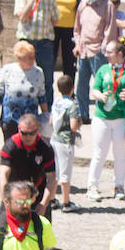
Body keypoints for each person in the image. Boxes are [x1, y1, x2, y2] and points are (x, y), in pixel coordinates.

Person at [85, 38, 125, 202]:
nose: (106, 54)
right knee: (99, 153)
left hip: (121, 118)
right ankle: (92, 186)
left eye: (109, 52)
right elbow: (94, 90)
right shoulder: (104, 69)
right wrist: (101, 96)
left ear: (119, 54)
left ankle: (119, 186)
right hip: (102, 118)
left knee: (120, 155)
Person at [73, 0, 117, 123]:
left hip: (98, 50)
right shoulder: (83, 4)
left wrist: (103, 47)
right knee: (81, 84)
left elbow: (110, 28)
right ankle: (83, 114)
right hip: (83, 50)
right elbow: (77, 28)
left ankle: (101, 112)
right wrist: (77, 44)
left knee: (100, 84)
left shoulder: (107, 5)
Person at [0, 113, 56, 216]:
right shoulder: (10, 146)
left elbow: (51, 178)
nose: (28, 137)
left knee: (42, 229)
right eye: (24, 133)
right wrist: (6, 201)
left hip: (37, 193)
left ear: (38, 130)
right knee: (3, 228)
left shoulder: (45, 148)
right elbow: (3, 175)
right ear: (19, 129)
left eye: (32, 133)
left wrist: (43, 204)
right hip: (14, 193)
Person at [13, 0, 57, 105]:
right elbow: (22, 16)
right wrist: (32, 0)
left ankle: (47, 111)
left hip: (44, 42)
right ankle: (25, 106)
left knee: (47, 78)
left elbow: (55, 19)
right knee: (25, 76)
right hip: (27, 40)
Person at [0, 41, 47, 140]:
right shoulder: (7, 70)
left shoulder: (38, 72)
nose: (32, 60)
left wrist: (46, 117)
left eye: (33, 57)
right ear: (19, 58)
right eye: (29, 57)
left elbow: (42, 96)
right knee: (11, 150)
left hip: (30, 121)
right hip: (10, 119)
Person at [48, 0, 82, 79]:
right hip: (52, 26)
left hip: (70, 28)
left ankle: (69, 90)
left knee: (69, 61)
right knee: (49, 60)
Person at [48, 74, 79, 211]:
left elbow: (50, 122)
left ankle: (52, 199)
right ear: (72, 88)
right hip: (66, 141)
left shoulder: (56, 102)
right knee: (65, 172)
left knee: (55, 171)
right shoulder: (72, 105)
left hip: (54, 139)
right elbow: (73, 126)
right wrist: (79, 122)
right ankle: (66, 202)